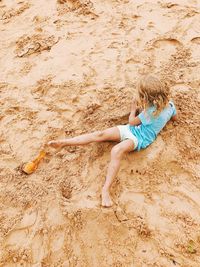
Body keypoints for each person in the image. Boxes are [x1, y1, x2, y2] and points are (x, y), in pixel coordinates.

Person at [47, 75, 178, 207]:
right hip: (134, 130)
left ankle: (105, 189)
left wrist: (133, 110)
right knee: (100, 134)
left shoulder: (149, 112)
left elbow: (132, 122)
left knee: (116, 150)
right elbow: (174, 117)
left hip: (139, 138)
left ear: (147, 98)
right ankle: (64, 143)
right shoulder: (170, 106)